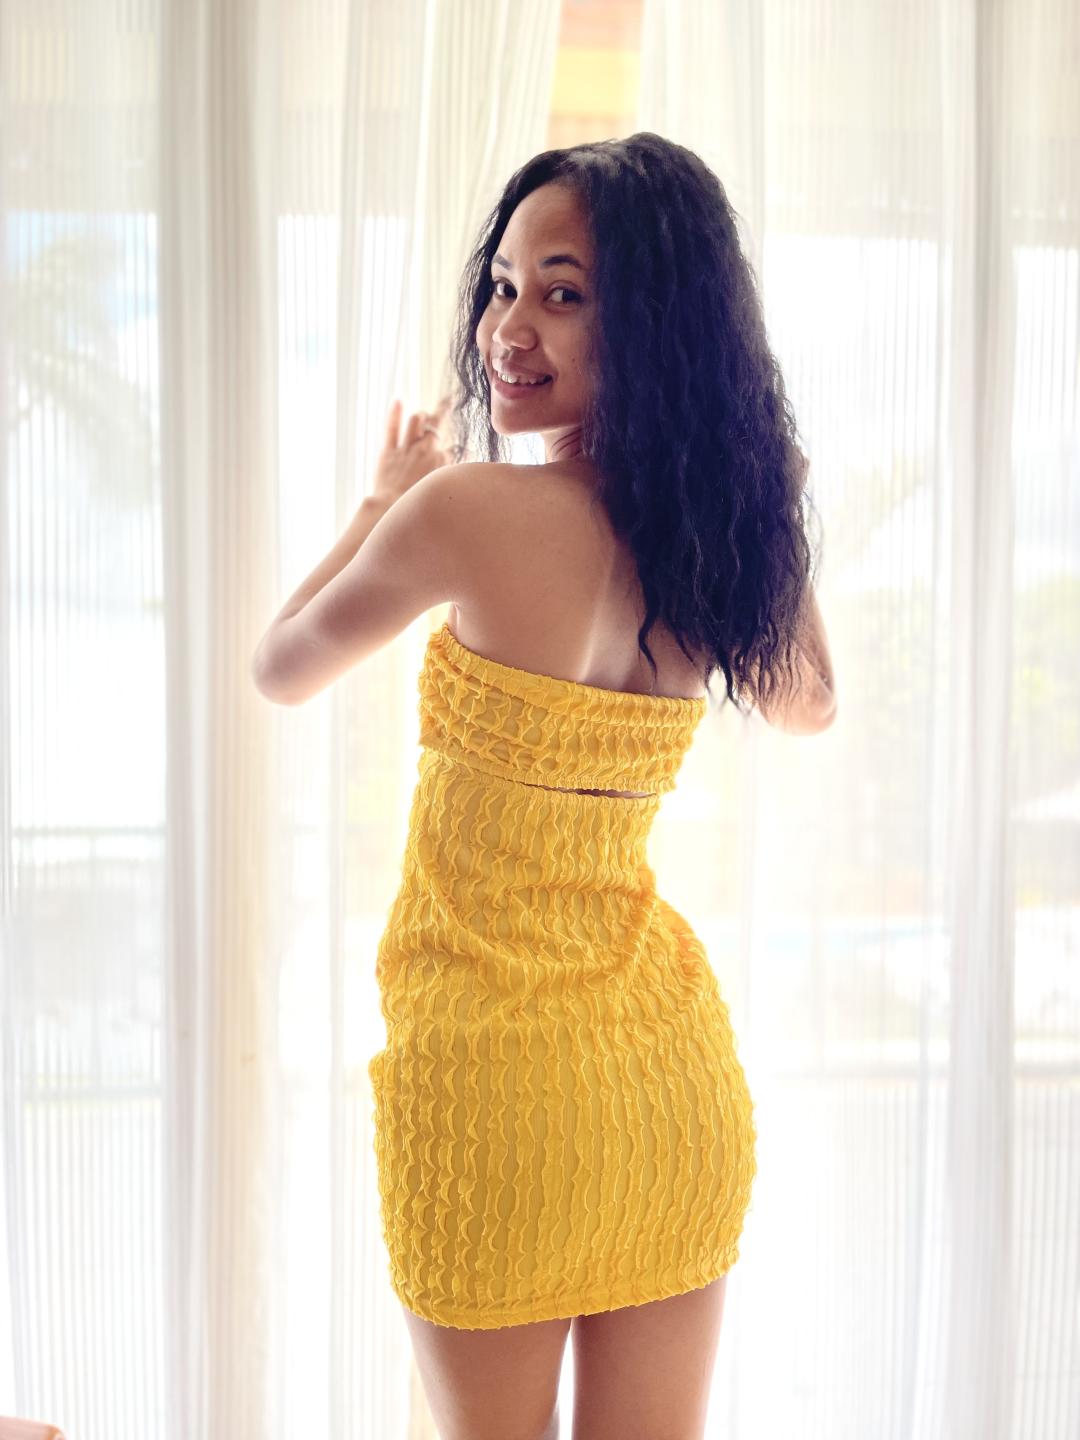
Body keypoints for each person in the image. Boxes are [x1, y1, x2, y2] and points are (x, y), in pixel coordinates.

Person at [254, 131, 836, 1440]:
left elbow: (280, 668)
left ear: (655, 327)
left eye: (563, 293)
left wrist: (378, 504)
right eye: (505, 285)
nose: (510, 328)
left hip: (493, 1085)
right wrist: (769, 517)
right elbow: (810, 704)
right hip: (660, 1078)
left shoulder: (463, 512)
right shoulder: (714, 541)